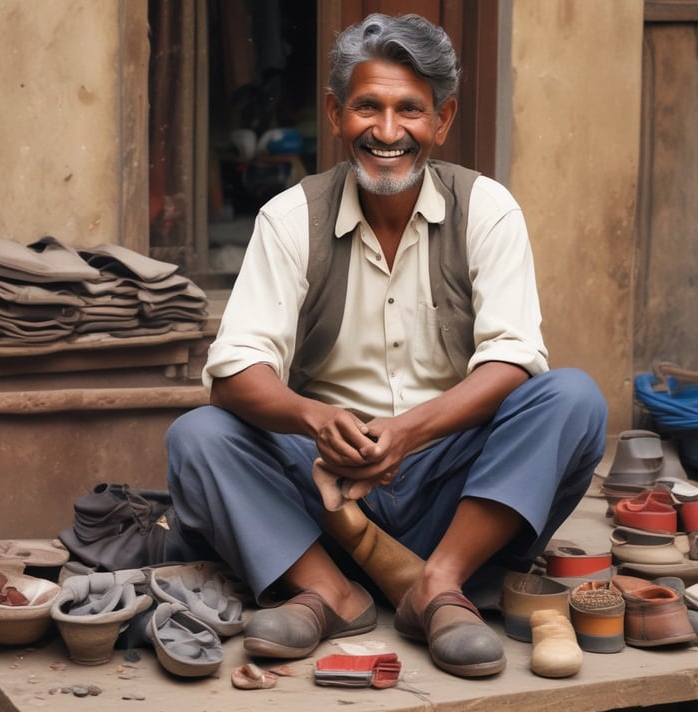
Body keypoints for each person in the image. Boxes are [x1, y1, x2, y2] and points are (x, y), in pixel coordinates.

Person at [166, 12, 607, 678]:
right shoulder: (290, 219)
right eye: (368, 107)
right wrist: (318, 420)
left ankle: (438, 584)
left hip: (453, 493)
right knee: (198, 436)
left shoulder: (486, 209)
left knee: (573, 398)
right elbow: (233, 372)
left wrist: (407, 432)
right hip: (322, 494)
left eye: (411, 110)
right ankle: (327, 590)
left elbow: (513, 360)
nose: (389, 131)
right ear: (336, 114)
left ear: (444, 119)